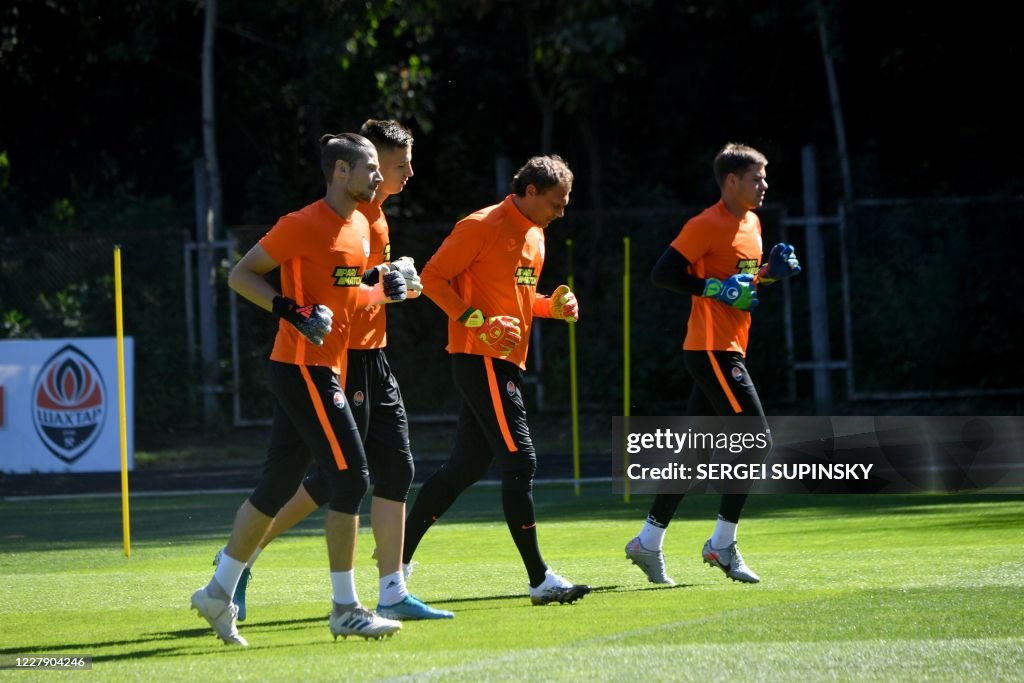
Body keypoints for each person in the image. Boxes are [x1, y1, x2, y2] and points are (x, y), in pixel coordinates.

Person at [212, 119, 452, 623]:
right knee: (335, 479)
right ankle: (244, 561)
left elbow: (358, 290)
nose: (408, 171)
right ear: (364, 166)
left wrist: (394, 285)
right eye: (397, 163)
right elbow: (264, 279)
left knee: (393, 470)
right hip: (338, 360)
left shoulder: (369, 222)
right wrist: (295, 310)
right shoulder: (323, 218)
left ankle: (390, 590)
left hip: (367, 353)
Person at [401, 154, 591, 606]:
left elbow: (522, 298)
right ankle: (540, 579)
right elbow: (431, 278)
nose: (561, 212)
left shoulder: (537, 233)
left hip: (505, 361)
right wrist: (475, 320)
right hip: (480, 358)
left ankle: (396, 559)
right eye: (556, 202)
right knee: (520, 460)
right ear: (530, 192)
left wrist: (552, 307)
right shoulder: (481, 225)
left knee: (466, 467)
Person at [624, 142, 801, 586]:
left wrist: (770, 275)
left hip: (730, 346)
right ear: (731, 181)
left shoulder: (753, 223)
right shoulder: (705, 224)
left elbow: (745, 283)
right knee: (756, 440)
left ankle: (647, 541)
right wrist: (716, 290)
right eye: (757, 178)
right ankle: (721, 545)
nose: (764, 185)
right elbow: (663, 273)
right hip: (710, 348)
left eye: (764, 177)